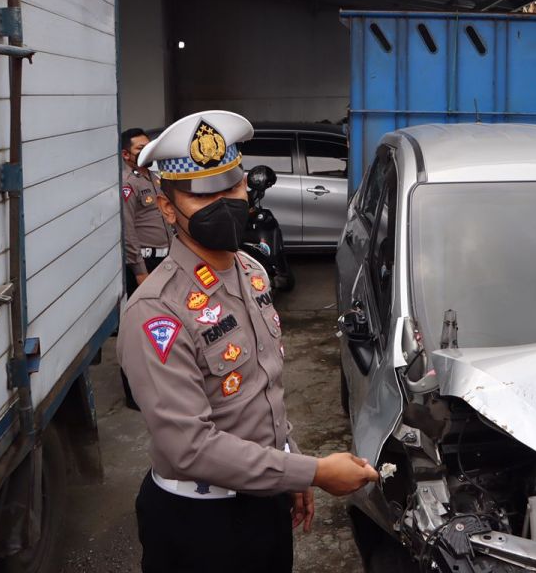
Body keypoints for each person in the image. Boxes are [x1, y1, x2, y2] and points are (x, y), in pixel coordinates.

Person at [117, 110, 378, 573]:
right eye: (204, 194)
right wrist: (312, 472)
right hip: (199, 523)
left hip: (265, 500)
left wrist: (287, 461)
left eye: (231, 186)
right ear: (166, 206)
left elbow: (261, 387)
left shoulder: (252, 272)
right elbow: (190, 447)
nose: (225, 203)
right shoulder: (156, 310)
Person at [121, 128, 172, 297]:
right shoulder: (128, 184)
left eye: (148, 147)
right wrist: (140, 272)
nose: (146, 151)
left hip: (165, 260)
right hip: (146, 263)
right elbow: (127, 230)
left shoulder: (154, 178)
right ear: (126, 155)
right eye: (140, 148)